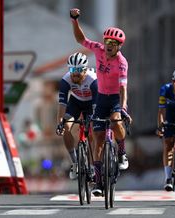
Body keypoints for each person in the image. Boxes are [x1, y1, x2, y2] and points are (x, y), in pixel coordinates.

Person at [70, 8, 133, 196]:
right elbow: (81, 40)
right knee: (96, 140)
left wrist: (123, 107)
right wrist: (74, 21)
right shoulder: (98, 50)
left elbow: (123, 88)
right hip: (100, 98)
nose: (109, 45)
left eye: (113, 43)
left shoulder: (121, 63)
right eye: (107, 41)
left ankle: (121, 151)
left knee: (116, 122)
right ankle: (98, 182)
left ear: (119, 46)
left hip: (115, 98)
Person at [56, 52, 98, 180]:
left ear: (85, 70)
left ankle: (91, 166)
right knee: (66, 128)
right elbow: (62, 104)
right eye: (73, 69)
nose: (75, 73)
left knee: (92, 132)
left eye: (79, 70)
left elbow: (96, 108)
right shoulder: (65, 80)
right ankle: (75, 162)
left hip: (92, 104)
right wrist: (60, 123)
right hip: (76, 103)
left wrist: (93, 121)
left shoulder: (93, 80)